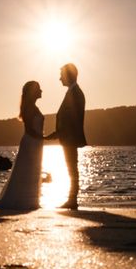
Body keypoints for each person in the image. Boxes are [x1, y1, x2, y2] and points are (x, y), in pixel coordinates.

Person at [0, 81, 45, 210]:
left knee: (32, 170)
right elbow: (29, 130)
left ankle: (30, 200)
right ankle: (24, 201)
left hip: (36, 142)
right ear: (33, 92)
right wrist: (45, 138)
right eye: (38, 89)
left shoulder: (33, 107)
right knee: (27, 170)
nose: (41, 91)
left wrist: (42, 139)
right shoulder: (29, 108)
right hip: (31, 142)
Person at [45, 63, 86, 209]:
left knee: (71, 168)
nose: (59, 78)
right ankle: (71, 199)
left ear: (69, 75)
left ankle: (72, 200)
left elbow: (71, 119)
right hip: (68, 137)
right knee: (71, 167)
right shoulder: (72, 92)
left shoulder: (75, 93)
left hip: (70, 138)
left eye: (61, 75)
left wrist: (57, 134)